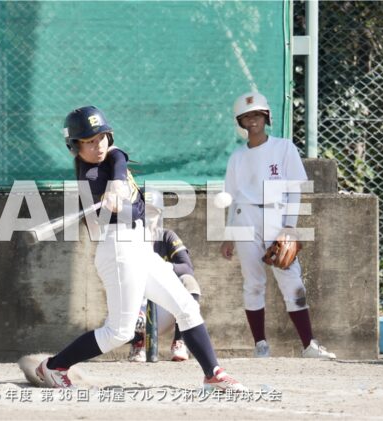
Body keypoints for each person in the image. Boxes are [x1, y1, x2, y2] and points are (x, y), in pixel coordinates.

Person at [35, 105, 247, 391]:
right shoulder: (91, 178)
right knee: (119, 332)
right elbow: (124, 204)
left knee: (186, 307)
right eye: (88, 142)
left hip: (139, 247)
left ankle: (213, 374)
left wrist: (117, 183)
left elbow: (118, 155)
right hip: (118, 249)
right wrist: (113, 200)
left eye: (101, 137)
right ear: (75, 146)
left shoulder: (109, 157)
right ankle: (53, 366)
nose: (98, 146)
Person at [220, 92, 336, 359]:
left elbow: (295, 189)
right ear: (240, 121)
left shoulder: (284, 147)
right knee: (253, 283)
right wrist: (228, 236)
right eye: (247, 116)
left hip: (276, 216)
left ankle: (309, 345)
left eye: (257, 115)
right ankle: (260, 344)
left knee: (291, 279)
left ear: (267, 117)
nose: (253, 120)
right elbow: (233, 199)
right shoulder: (237, 156)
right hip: (245, 217)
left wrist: (290, 227)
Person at [128, 190, 202, 363]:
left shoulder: (167, 236)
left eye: (153, 213)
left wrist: (163, 267)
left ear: (160, 215)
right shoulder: (127, 239)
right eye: (144, 212)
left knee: (189, 282)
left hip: (164, 310)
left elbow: (187, 268)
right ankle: (138, 343)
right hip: (134, 311)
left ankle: (180, 342)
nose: (148, 218)